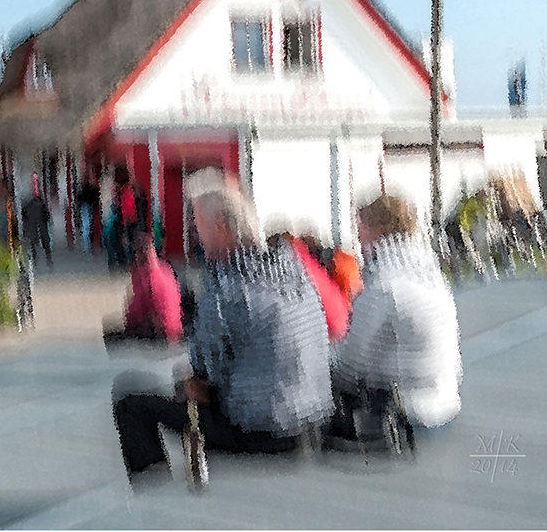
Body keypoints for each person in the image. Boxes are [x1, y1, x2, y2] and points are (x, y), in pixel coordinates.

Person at [112, 169, 333, 487]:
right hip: (315, 423)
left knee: (131, 402)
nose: (196, 235)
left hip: (266, 432)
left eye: (198, 225)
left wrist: (192, 383)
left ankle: (156, 495)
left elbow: (205, 373)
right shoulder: (292, 267)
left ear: (219, 225)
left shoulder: (227, 283)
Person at [331, 194, 462, 433]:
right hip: (446, 398)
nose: (357, 237)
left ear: (377, 229)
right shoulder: (430, 273)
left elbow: (350, 363)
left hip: (410, 410)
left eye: (360, 228)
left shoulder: (384, 283)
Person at [20, 173, 53, 271]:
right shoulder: (38, 199)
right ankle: (46, 260)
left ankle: (38, 261)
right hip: (36, 217)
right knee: (41, 239)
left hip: (33, 218)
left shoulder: (30, 197)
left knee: (36, 240)